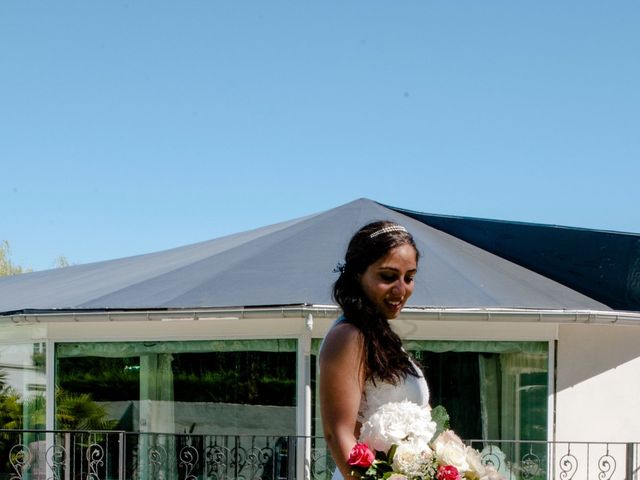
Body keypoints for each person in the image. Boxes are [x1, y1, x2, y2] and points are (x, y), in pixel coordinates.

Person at [319, 220, 431, 480]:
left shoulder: (382, 339)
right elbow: (338, 434)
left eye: (409, 277)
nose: (401, 289)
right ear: (358, 274)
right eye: (388, 277)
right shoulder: (347, 336)